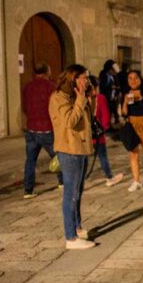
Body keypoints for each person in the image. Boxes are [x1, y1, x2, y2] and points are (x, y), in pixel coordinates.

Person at [49, 64, 95, 250]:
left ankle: (77, 227)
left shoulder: (75, 96)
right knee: (70, 193)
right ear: (73, 78)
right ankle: (70, 237)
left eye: (86, 77)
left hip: (81, 148)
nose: (86, 80)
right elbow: (70, 122)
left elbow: (88, 121)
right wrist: (81, 100)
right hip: (69, 150)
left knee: (78, 192)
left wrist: (86, 98)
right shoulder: (59, 98)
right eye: (83, 77)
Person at [21, 63, 62, 198]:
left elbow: (25, 107)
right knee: (58, 156)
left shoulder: (27, 87)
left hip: (31, 129)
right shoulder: (51, 86)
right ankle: (62, 182)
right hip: (47, 128)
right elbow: (56, 108)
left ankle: (28, 190)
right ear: (46, 72)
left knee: (30, 161)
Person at [89, 76, 124, 187]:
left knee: (83, 159)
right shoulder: (100, 98)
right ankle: (109, 177)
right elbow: (105, 117)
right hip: (98, 135)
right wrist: (104, 128)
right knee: (102, 157)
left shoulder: (82, 99)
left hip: (85, 136)